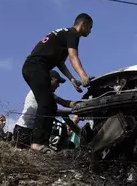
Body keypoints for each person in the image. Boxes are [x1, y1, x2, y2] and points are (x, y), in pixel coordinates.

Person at [21, 14, 92, 153]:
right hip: (36, 66)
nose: (90, 31)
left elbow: (60, 62)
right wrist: (83, 76)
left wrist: (72, 79)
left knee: (50, 105)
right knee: (46, 103)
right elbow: (73, 56)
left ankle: (41, 142)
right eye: (90, 27)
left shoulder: (64, 34)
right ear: (83, 24)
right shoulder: (73, 34)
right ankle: (37, 143)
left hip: (32, 67)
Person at [12, 70, 76, 149]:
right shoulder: (40, 91)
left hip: (33, 131)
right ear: (50, 79)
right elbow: (51, 110)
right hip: (24, 130)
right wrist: (73, 111)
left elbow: (64, 103)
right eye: (57, 82)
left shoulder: (47, 93)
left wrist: (80, 105)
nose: (58, 85)